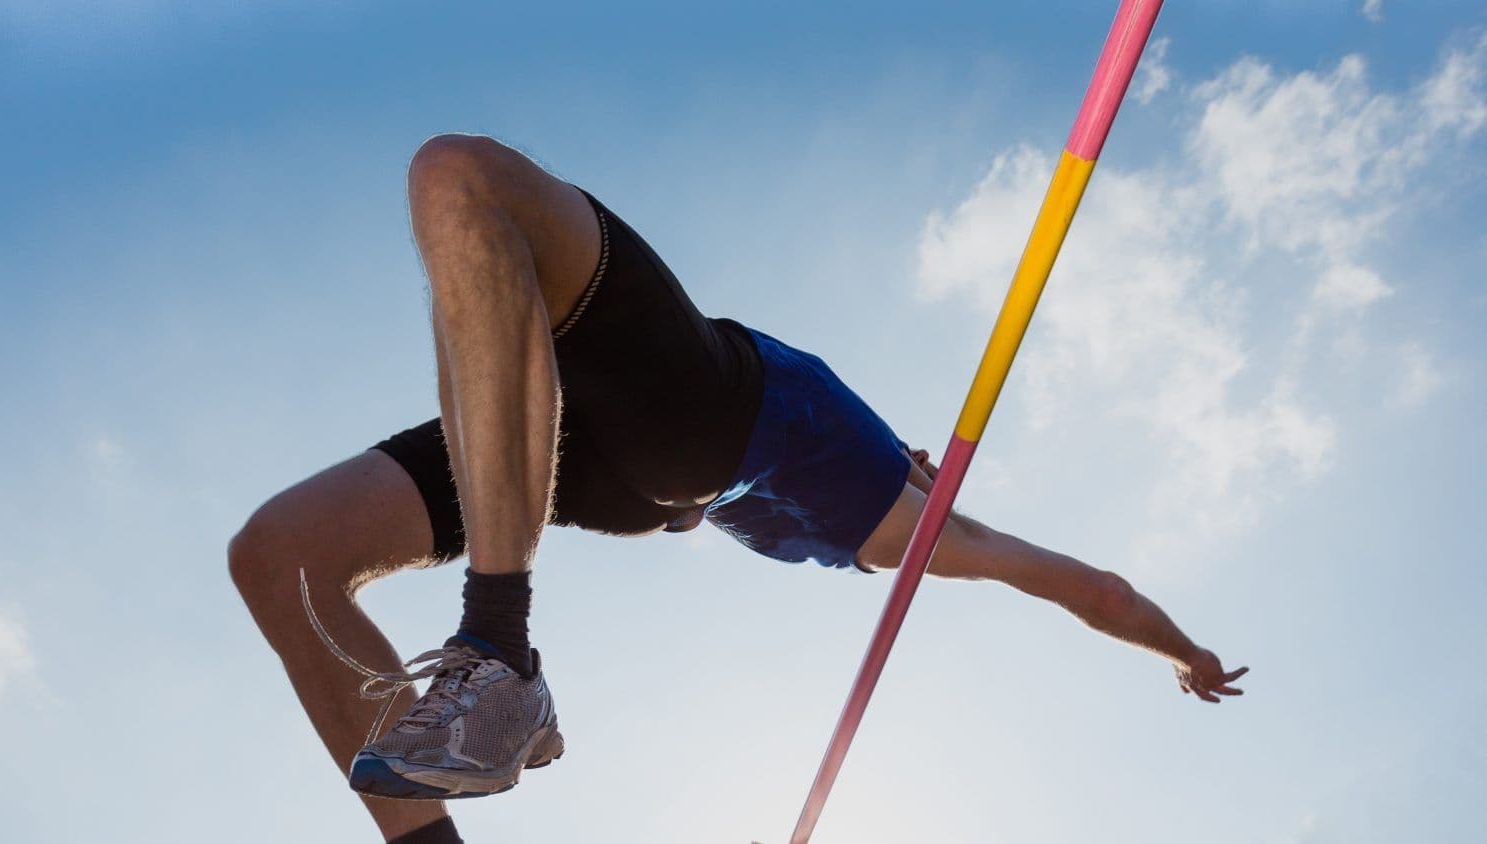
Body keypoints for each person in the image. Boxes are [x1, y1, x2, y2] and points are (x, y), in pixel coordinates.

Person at [228, 134, 1248, 844]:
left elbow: (1094, 590)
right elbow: (1092, 589)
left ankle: (499, 645)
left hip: (695, 420)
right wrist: (1184, 652)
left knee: (458, 175)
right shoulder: (885, 526)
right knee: (281, 556)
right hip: (602, 454)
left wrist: (1186, 650)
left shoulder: (907, 519)